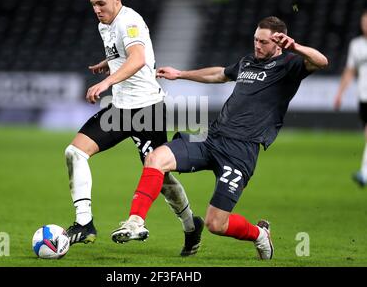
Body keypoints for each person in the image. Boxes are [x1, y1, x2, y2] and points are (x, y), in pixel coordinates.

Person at [111, 16, 328, 260]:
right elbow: (220, 75)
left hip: (241, 151)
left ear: (279, 43)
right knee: (155, 158)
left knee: (216, 224)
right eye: (255, 39)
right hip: (212, 137)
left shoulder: (290, 64)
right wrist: (180, 74)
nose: (257, 45)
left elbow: (321, 62)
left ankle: (258, 234)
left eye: (263, 42)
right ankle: (135, 222)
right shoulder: (248, 61)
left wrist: (296, 47)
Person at [64, 0, 204, 257]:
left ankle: (191, 226)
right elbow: (126, 53)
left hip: (147, 109)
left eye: (102, 3)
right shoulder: (105, 23)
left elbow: (138, 58)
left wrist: (105, 82)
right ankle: (84, 223)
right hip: (120, 109)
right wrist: (109, 62)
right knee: (74, 152)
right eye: (93, 4)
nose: (97, 9)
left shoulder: (129, 20)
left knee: (161, 178)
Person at [334, 9, 367, 187]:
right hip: (363, 97)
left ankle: (364, 173)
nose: (365, 25)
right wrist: (340, 93)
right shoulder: (356, 45)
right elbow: (350, 71)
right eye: (363, 22)